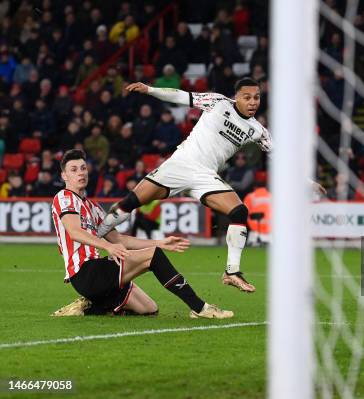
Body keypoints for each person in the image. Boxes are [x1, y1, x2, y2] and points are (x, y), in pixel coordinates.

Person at [97, 78, 326, 293]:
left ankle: (231, 272)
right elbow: (181, 96)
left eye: (256, 97)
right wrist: (150, 90)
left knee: (239, 211)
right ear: (236, 97)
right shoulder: (217, 102)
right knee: (131, 202)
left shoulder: (258, 130)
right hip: (180, 164)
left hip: (205, 176)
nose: (253, 102)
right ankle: (94, 237)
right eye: (247, 97)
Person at [51, 149, 232, 319]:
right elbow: (74, 232)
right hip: (84, 272)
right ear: (64, 176)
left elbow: (119, 239)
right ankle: (200, 308)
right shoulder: (64, 197)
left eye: (83, 168)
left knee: (149, 309)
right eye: (74, 170)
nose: (81, 173)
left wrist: (160, 243)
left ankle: (91, 306)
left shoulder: (93, 207)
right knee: (153, 257)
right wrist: (109, 247)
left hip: (99, 273)